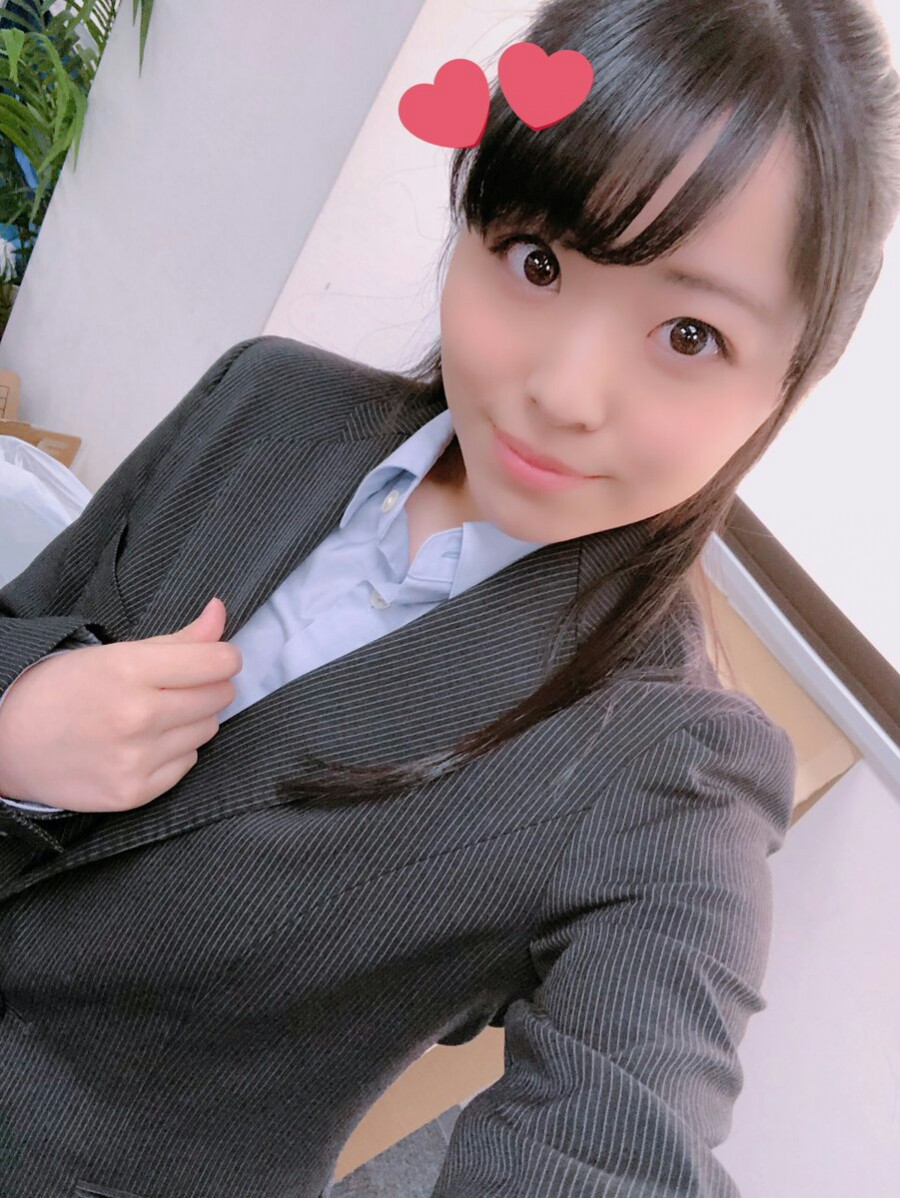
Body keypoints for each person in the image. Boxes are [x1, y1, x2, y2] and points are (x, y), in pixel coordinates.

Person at [0, 1, 898, 1195]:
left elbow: (617, 1141)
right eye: (538, 261)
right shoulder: (265, 401)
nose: (563, 390)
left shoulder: (671, 774)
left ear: (789, 381)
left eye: (689, 333)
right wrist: (18, 718)